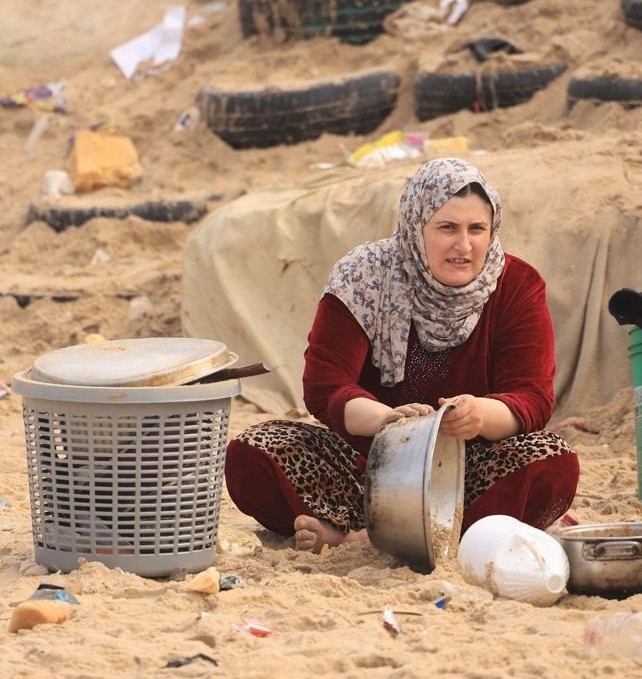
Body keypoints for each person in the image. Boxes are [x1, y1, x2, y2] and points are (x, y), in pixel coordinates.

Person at [224, 157, 580, 553]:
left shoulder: (516, 285)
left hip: (466, 474)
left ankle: (363, 538)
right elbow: (325, 388)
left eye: (477, 229)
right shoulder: (362, 277)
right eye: (447, 228)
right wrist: (389, 421)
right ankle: (366, 528)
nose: (464, 246)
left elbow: (531, 399)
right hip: (365, 470)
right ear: (415, 227)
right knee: (251, 453)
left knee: (552, 460)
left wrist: (478, 414)